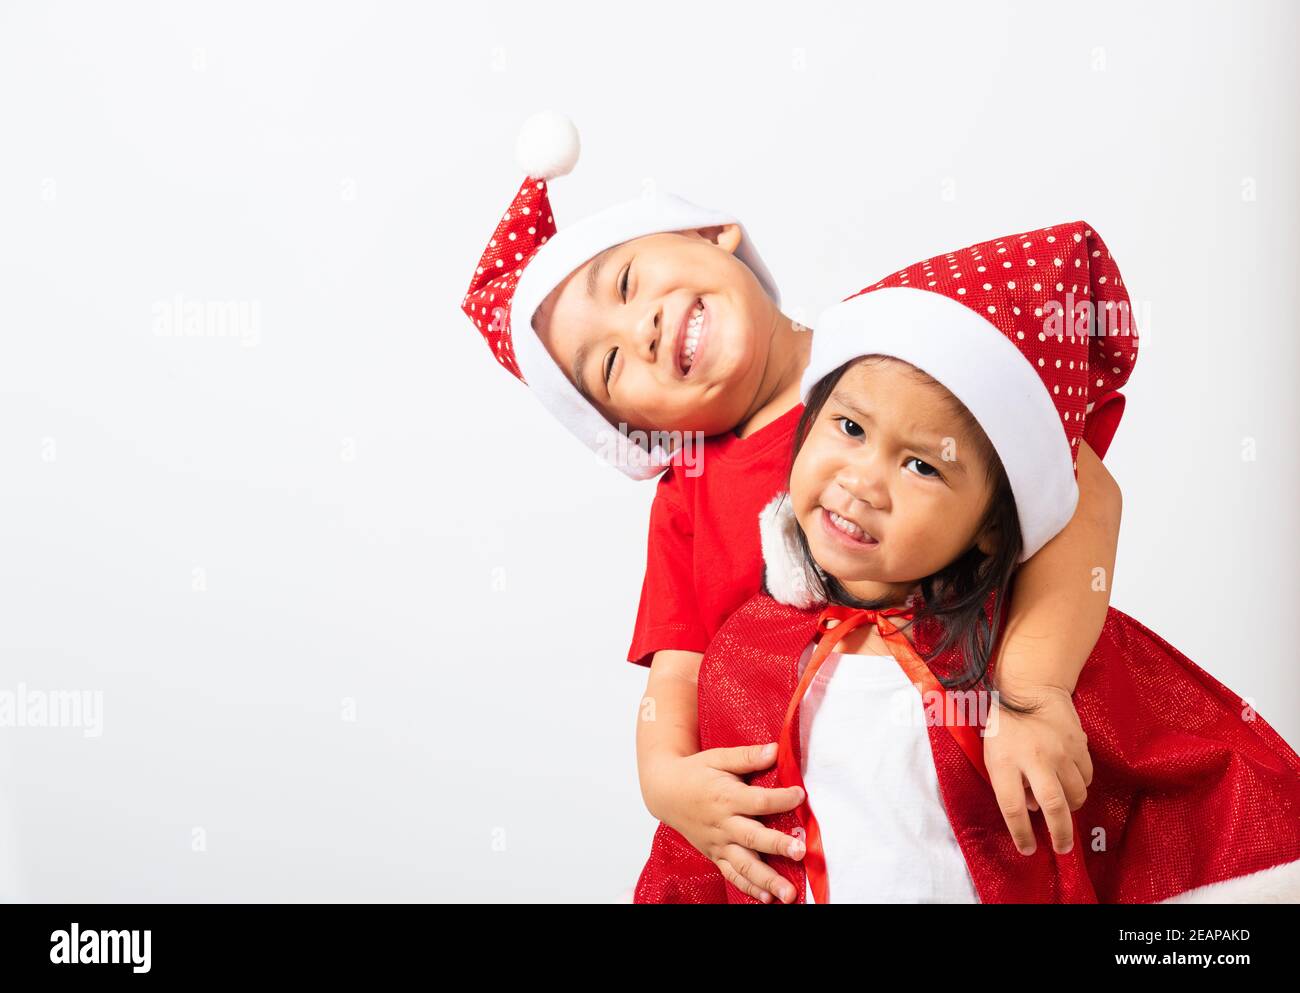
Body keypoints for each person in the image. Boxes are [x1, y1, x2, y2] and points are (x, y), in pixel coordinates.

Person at [464, 113, 1128, 903]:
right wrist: (666, 779)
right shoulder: (691, 499)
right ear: (637, 432)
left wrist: (1036, 687)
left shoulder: (896, 349)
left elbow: (1084, 497)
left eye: (627, 282)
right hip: (825, 830)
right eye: (606, 365)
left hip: (984, 761)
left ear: (716, 236)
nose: (637, 329)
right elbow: (677, 672)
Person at [637, 228, 1300, 902]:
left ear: (990, 531)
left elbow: (1190, 779)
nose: (863, 482)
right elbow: (700, 845)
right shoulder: (747, 655)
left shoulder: (1013, 656)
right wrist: (668, 785)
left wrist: (1036, 695)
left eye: (922, 464)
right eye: (851, 428)